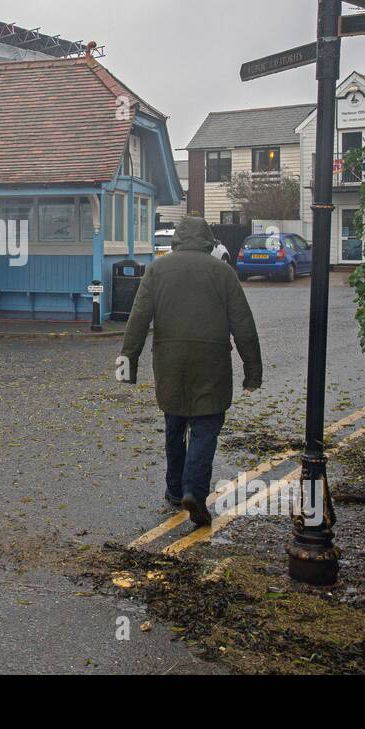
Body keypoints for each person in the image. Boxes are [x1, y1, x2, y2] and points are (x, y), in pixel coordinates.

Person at [120, 215, 262, 526]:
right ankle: (194, 493)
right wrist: (253, 372)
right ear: (208, 240)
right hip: (211, 362)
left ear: (177, 240)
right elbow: (244, 326)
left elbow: (138, 319)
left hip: (169, 361)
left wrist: (126, 366)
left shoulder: (157, 270)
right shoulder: (223, 273)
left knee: (174, 424)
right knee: (205, 429)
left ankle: (174, 490)